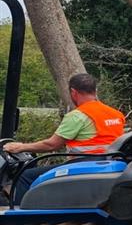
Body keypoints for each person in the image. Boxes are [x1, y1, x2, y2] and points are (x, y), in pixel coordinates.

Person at [3, 73, 125, 204]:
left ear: (73, 92)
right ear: (95, 91)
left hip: (83, 165)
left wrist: (20, 147)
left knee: (26, 176)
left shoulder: (78, 116)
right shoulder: (115, 114)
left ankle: (18, 215)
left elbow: (52, 145)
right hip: (109, 163)